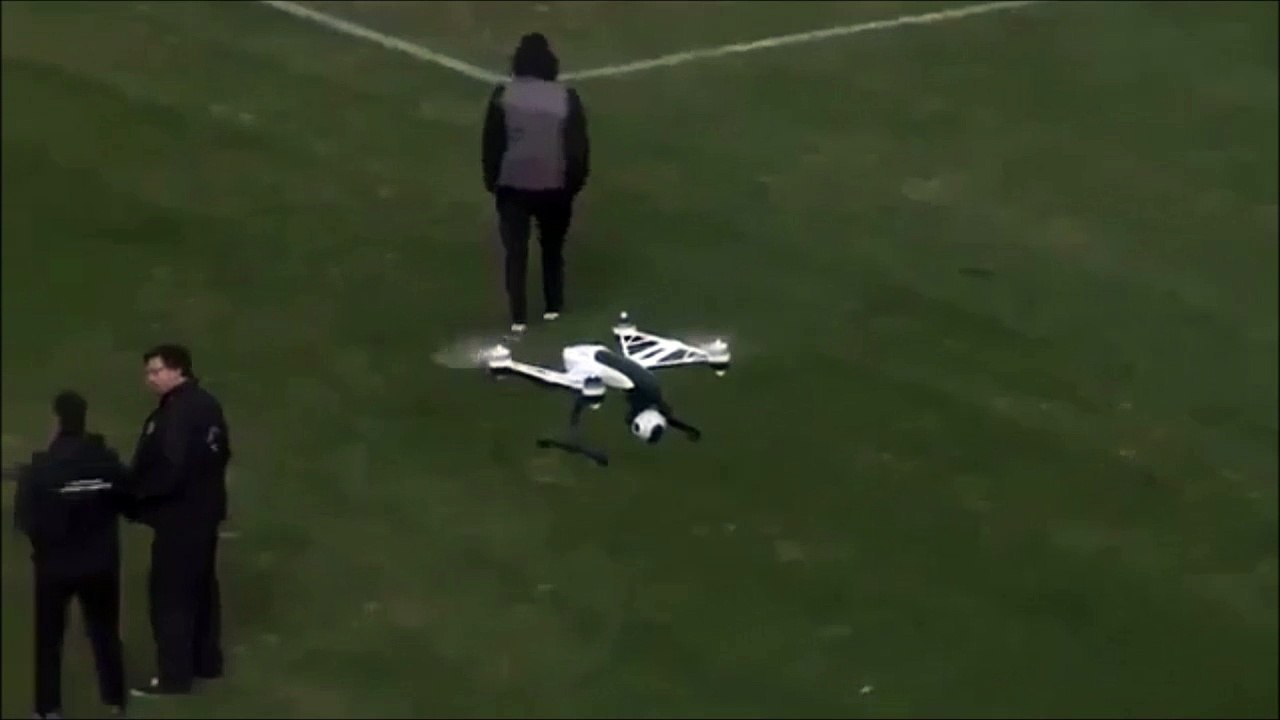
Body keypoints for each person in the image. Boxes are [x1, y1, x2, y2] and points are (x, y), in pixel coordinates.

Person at [12, 391, 130, 719]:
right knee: (105, 631)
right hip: (101, 564)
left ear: (56, 421)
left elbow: (25, 520)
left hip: (55, 568)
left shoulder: (41, 468)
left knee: (49, 640)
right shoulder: (105, 461)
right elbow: (128, 499)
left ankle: (48, 708)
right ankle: (115, 700)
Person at [126, 344, 232, 698]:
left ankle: (173, 677)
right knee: (201, 589)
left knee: (170, 597)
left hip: (179, 519)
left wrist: (138, 498)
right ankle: (206, 662)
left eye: (156, 372)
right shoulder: (207, 405)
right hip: (204, 514)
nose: (150, 380)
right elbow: (220, 454)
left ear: (178, 370)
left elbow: (171, 468)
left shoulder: (177, 413)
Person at [482, 31, 591, 334]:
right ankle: (553, 307)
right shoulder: (566, 97)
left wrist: (493, 182)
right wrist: (573, 185)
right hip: (555, 186)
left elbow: (492, 143)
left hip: (512, 185)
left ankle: (518, 318)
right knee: (552, 249)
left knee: (515, 253)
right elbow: (577, 147)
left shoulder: (502, 95)